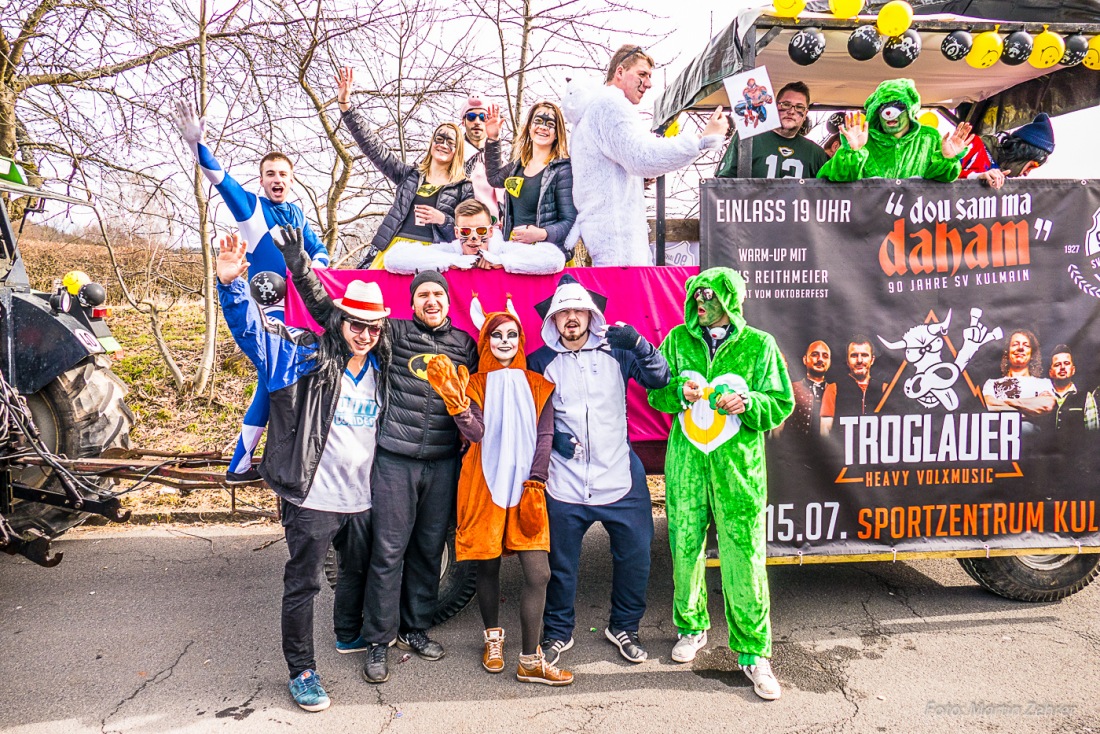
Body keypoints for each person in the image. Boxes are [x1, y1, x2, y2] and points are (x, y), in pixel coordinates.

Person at [281, 228, 478, 684]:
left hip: (443, 461)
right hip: (395, 460)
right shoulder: (393, 336)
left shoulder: (464, 346)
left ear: (448, 301)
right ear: (411, 304)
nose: (432, 301)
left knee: (429, 550)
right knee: (388, 552)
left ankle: (417, 627)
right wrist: (301, 269)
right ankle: (377, 641)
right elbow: (335, 316)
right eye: (423, 295)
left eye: (438, 294)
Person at [216, 229, 389, 712]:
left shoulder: (382, 366)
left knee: (355, 570)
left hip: (361, 500)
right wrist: (232, 286)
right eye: (356, 323)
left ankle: (348, 634)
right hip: (311, 498)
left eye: (373, 327)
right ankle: (302, 671)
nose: (364, 334)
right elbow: (254, 334)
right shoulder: (301, 357)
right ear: (340, 322)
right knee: (304, 584)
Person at [647, 268, 793, 700]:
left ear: (730, 299)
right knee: (684, 547)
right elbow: (656, 395)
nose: (700, 304)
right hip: (687, 467)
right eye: (696, 296)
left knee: (744, 555)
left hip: (738, 472)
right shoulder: (676, 340)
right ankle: (691, 627)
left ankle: (753, 653)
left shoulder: (758, 345)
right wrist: (679, 392)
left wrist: (748, 401)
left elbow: (781, 402)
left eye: (709, 297)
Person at [171, 101, 331, 484]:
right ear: (261, 180)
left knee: (273, 379)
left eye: (283, 174)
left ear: (292, 180)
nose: (277, 179)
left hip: (297, 309)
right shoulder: (252, 209)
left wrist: (318, 268)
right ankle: (241, 464)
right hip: (265, 307)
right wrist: (197, 147)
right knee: (270, 376)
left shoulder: (295, 212)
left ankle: (246, 464)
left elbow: (320, 249)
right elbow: (220, 179)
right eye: (270, 174)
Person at [527, 274, 671, 666]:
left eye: (578, 310)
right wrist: (552, 438)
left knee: (637, 556)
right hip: (565, 481)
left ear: (591, 316)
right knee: (561, 563)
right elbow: (528, 413)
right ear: (552, 320)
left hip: (619, 476)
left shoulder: (617, 351)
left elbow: (661, 379)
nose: (571, 318)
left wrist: (641, 345)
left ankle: (624, 627)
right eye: (563, 312)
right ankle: (558, 632)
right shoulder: (539, 361)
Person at [425, 306, 573, 686]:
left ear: (521, 339)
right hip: (484, 486)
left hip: (527, 490)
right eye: (496, 335)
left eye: (511, 334)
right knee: (486, 567)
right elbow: (475, 433)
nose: (504, 342)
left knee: (538, 574)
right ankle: (493, 638)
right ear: (485, 340)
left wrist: (537, 479)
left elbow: (545, 437)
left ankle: (530, 658)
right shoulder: (472, 384)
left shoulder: (539, 384)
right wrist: (458, 407)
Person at [563, 44, 729, 266]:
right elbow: (642, 157)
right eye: (642, 74)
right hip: (621, 249)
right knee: (628, 301)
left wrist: (636, 180)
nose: (648, 84)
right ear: (620, 72)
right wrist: (701, 141)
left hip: (606, 240)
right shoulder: (610, 105)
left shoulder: (591, 111)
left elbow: (605, 174)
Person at [335, 67, 473, 269]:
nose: (443, 144)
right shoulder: (408, 175)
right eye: (439, 138)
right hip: (393, 251)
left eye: (450, 141)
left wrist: (443, 219)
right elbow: (373, 147)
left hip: (433, 257)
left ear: (458, 150)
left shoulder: (463, 187)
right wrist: (346, 105)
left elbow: (470, 231)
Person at [818, 78, 973, 182]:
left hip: (910, 228)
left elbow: (938, 188)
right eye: (884, 107)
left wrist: (947, 159)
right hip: (869, 228)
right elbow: (829, 182)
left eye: (898, 106)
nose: (889, 113)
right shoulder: (863, 139)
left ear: (910, 110)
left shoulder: (929, 138)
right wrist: (852, 152)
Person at [483, 101, 578, 260]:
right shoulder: (517, 167)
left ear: (557, 133)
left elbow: (570, 221)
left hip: (548, 258)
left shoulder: (563, 170)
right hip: (514, 254)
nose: (543, 127)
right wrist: (493, 139)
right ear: (529, 127)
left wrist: (541, 234)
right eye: (538, 121)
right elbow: (494, 178)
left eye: (550, 124)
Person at [384, 198, 564, 275]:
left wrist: (502, 262)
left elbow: (555, 259)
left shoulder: (503, 249)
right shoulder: (450, 251)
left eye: (480, 231)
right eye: (465, 231)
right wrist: (450, 262)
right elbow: (393, 258)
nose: (473, 238)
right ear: (456, 233)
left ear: (491, 231)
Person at [716, 82, 829, 179]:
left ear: (805, 114)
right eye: (786, 104)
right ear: (775, 107)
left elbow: (829, 195)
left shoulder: (816, 153)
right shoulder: (748, 138)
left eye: (799, 107)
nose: (791, 111)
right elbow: (723, 184)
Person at [983, 329, 1056, 436]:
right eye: (1015, 344)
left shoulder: (1043, 384)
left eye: (1026, 345)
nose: (1020, 348)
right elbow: (988, 406)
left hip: (1031, 447)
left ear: (1032, 354)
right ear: (1007, 352)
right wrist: (1030, 409)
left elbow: (1046, 406)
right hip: (999, 446)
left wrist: (1003, 403)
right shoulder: (991, 383)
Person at [960, 113, 1056, 189]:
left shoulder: (1002, 178)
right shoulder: (973, 146)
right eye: (1031, 166)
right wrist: (977, 177)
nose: (1026, 174)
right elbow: (945, 174)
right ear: (1022, 151)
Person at [820, 336, 878, 436]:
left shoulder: (884, 388)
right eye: (854, 355)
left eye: (864, 355)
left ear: (872, 360)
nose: (859, 360)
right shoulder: (833, 389)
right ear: (847, 360)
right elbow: (825, 432)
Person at [458, 95, 503, 217]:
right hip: (465, 229)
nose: (477, 122)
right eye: (471, 117)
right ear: (463, 121)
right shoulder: (454, 158)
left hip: (497, 229)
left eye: (483, 117)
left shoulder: (500, 160)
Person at [1047, 345, 1095, 448]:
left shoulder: (1086, 397)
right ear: (1051, 372)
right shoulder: (1043, 396)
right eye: (1057, 364)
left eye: (1066, 363)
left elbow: (1093, 434)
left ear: (1073, 370)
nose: (1062, 367)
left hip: (1076, 460)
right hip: (1047, 461)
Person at [786, 340, 836, 437]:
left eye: (825, 356)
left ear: (829, 362)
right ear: (805, 360)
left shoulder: (836, 391)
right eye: (814, 354)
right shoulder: (791, 389)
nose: (820, 359)